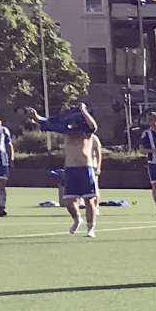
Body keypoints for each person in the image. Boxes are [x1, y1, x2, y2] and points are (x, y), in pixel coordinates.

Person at [27, 99, 102, 236]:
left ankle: (90, 228)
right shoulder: (67, 133)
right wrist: (37, 117)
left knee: (89, 200)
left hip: (85, 169)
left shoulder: (87, 134)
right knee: (69, 202)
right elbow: (50, 124)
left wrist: (83, 110)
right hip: (70, 169)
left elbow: (93, 126)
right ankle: (77, 219)